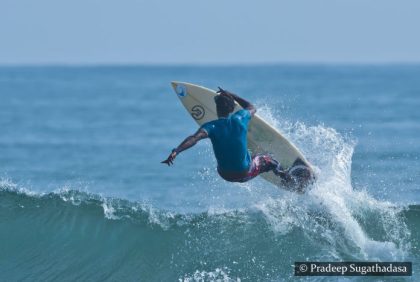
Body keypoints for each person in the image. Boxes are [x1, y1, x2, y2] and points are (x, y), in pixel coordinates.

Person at [162, 87, 293, 185]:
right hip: (244, 172)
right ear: (231, 109)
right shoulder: (240, 118)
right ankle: (286, 177)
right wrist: (233, 95)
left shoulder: (210, 127)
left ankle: (250, 158)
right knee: (268, 159)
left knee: (247, 155)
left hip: (224, 174)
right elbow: (251, 107)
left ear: (217, 109)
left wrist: (176, 151)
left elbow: (193, 139)